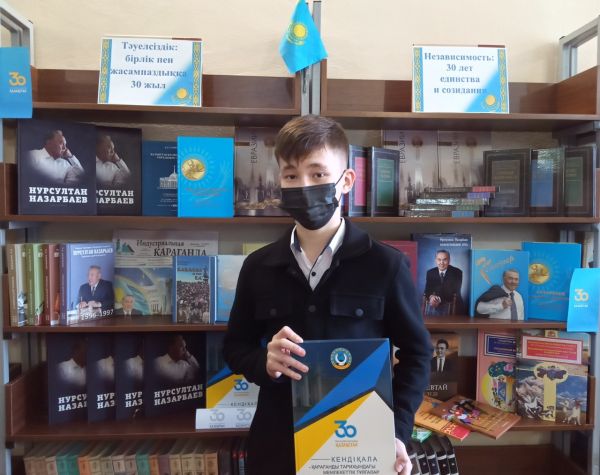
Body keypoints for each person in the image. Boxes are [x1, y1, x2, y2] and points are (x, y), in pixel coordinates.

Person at [223, 115, 432, 475]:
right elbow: (234, 347)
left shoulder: (387, 265)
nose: (303, 186)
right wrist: (264, 362)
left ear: (346, 181)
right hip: (277, 445)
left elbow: (418, 354)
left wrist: (396, 431)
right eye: (291, 175)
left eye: (318, 174)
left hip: (359, 443)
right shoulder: (258, 267)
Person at [424, 250, 464, 315]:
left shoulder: (457, 272)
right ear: (436, 260)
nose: (441, 262)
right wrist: (431, 297)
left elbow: (454, 291)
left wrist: (438, 299)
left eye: (444, 260)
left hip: (454, 307)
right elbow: (427, 290)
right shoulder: (430, 272)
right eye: (439, 259)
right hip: (435, 307)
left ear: (449, 260)